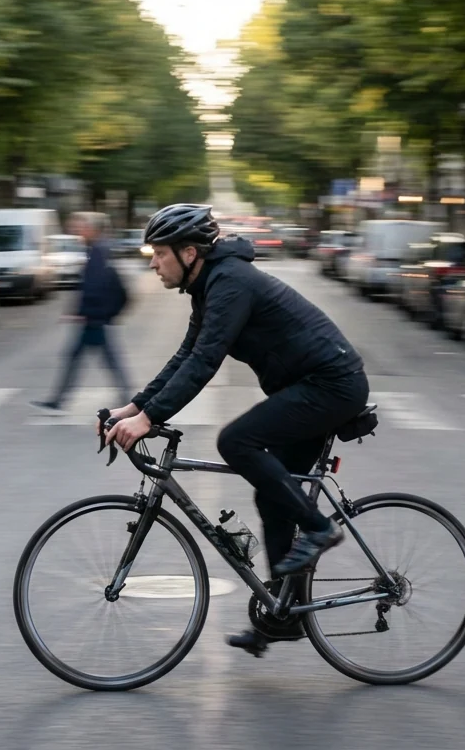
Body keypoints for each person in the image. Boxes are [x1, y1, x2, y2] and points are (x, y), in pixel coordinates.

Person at [102, 204, 369, 657]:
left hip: (330, 387)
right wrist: (133, 407)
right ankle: (284, 616)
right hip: (306, 388)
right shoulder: (208, 288)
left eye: (158, 253)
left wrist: (147, 421)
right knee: (272, 493)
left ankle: (321, 529)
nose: (152, 262)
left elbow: (206, 363)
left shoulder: (231, 283)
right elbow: (185, 355)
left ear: (189, 253)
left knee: (235, 441)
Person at [31, 212, 131, 413]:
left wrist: (86, 311)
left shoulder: (97, 251)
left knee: (91, 359)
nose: (76, 232)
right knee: (94, 359)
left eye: (80, 228)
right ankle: (60, 399)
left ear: (91, 229)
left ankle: (59, 400)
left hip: (94, 318)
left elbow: (97, 286)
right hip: (95, 317)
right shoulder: (96, 249)